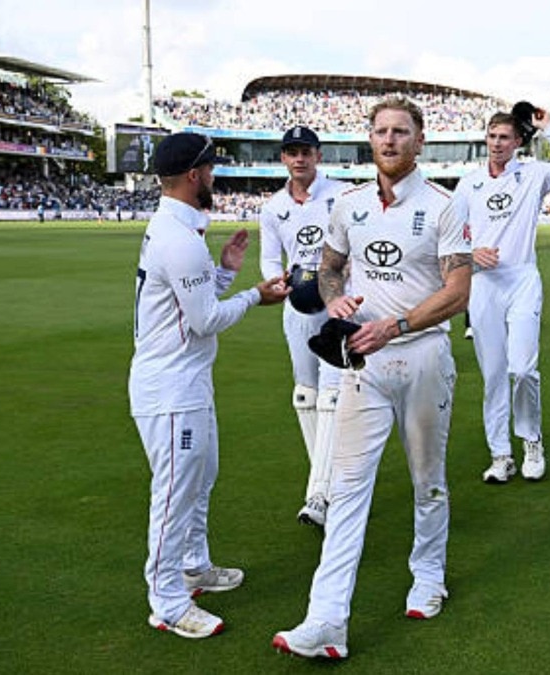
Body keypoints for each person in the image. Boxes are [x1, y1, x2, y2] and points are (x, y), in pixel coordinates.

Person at [272, 97, 472, 660]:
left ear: (420, 140)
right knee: (346, 488)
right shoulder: (349, 204)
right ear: (370, 139)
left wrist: (397, 325)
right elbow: (329, 268)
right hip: (363, 361)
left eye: (401, 132)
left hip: (423, 356)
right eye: (381, 131)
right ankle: (326, 619)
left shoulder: (444, 206)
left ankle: (428, 575)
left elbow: (459, 291)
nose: (389, 140)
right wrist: (335, 301)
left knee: (427, 479)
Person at [130, 132, 290, 639]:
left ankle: (194, 567)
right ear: (195, 175)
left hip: (185, 382)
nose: (215, 178)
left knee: (201, 478)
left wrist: (223, 272)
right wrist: (255, 295)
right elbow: (205, 321)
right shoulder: (179, 240)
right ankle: (167, 601)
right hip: (171, 389)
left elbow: (187, 308)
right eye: (212, 170)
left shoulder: (177, 230)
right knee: (175, 493)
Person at [453, 103, 550, 483]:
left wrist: (549, 127)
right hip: (483, 285)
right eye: (492, 136)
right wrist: (471, 254)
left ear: (517, 142)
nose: (496, 143)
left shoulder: (533, 174)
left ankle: (531, 440)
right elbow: (449, 238)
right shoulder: (468, 184)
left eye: (504, 137)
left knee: (522, 369)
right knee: (494, 375)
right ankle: (501, 455)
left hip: (522, 280)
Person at [259, 125, 351, 528]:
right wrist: (277, 281)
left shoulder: (341, 195)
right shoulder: (273, 207)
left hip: (336, 300)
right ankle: (326, 485)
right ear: (283, 157)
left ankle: (318, 494)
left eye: (306, 152)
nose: (299, 159)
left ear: (318, 155)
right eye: (292, 152)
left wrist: (343, 274)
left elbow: (357, 241)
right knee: (305, 395)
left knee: (331, 395)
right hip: (297, 303)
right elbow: (269, 257)